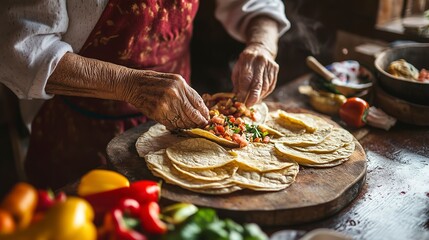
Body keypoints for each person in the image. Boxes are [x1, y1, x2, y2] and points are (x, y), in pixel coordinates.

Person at [0, 0, 290, 189]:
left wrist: (262, 45)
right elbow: (19, 47)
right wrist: (131, 85)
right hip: (78, 132)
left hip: (182, 128)